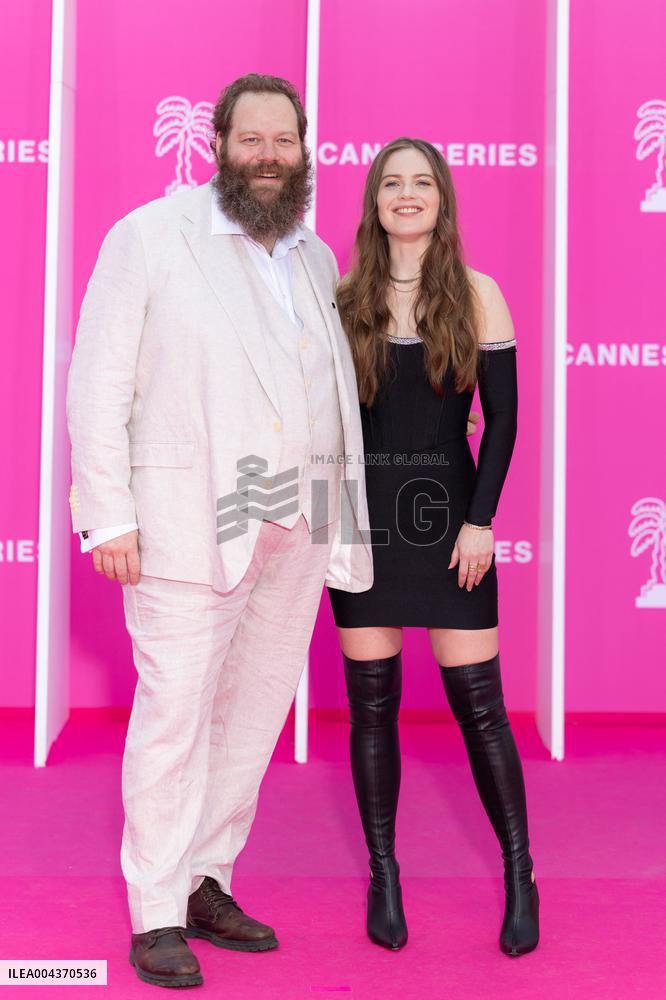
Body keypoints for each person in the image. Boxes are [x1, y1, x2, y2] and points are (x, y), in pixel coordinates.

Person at [66, 73, 377, 989]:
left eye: (286, 141)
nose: (270, 156)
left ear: (304, 148)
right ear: (220, 143)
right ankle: (154, 910)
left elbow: (322, 394)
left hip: (299, 524)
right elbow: (96, 385)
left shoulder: (314, 256)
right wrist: (108, 514)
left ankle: (207, 877)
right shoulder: (150, 237)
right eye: (254, 140)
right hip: (182, 522)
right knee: (174, 717)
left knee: (251, 717)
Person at [326, 138, 539, 957]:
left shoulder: (479, 295)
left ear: (441, 199)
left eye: (421, 183)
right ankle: (384, 873)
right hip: (367, 529)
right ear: (375, 202)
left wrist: (481, 521)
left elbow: (506, 421)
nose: (407, 195)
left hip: (453, 528)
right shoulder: (345, 296)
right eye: (392, 184)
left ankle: (521, 870)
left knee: (480, 708)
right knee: (371, 705)